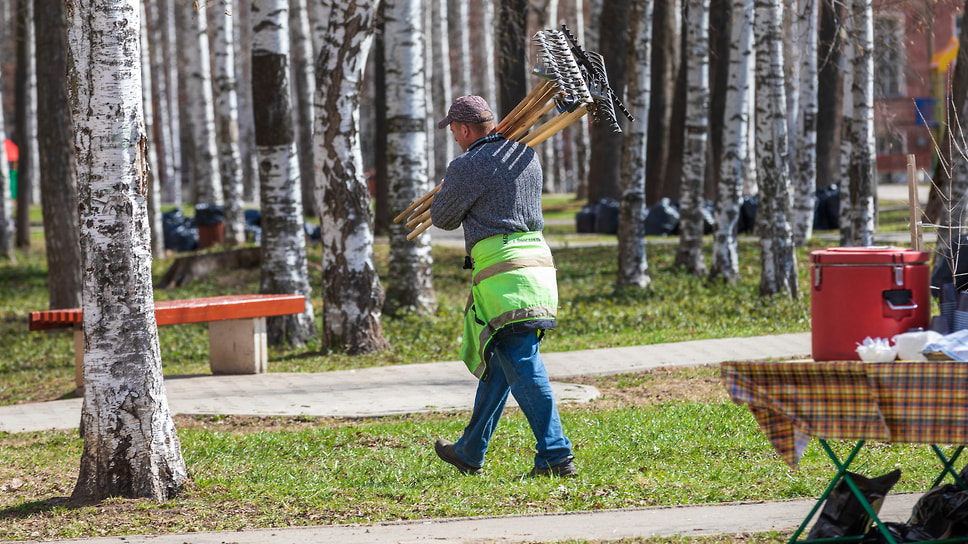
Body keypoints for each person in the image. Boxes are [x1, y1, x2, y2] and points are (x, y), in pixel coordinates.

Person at [429, 95, 576, 477]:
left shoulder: (466, 166)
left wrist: (448, 187)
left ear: (463, 130)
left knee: (523, 365)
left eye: (455, 132)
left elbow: (443, 218)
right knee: (500, 364)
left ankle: (556, 455)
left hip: (503, 276)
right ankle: (470, 450)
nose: (456, 139)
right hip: (539, 269)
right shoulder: (526, 156)